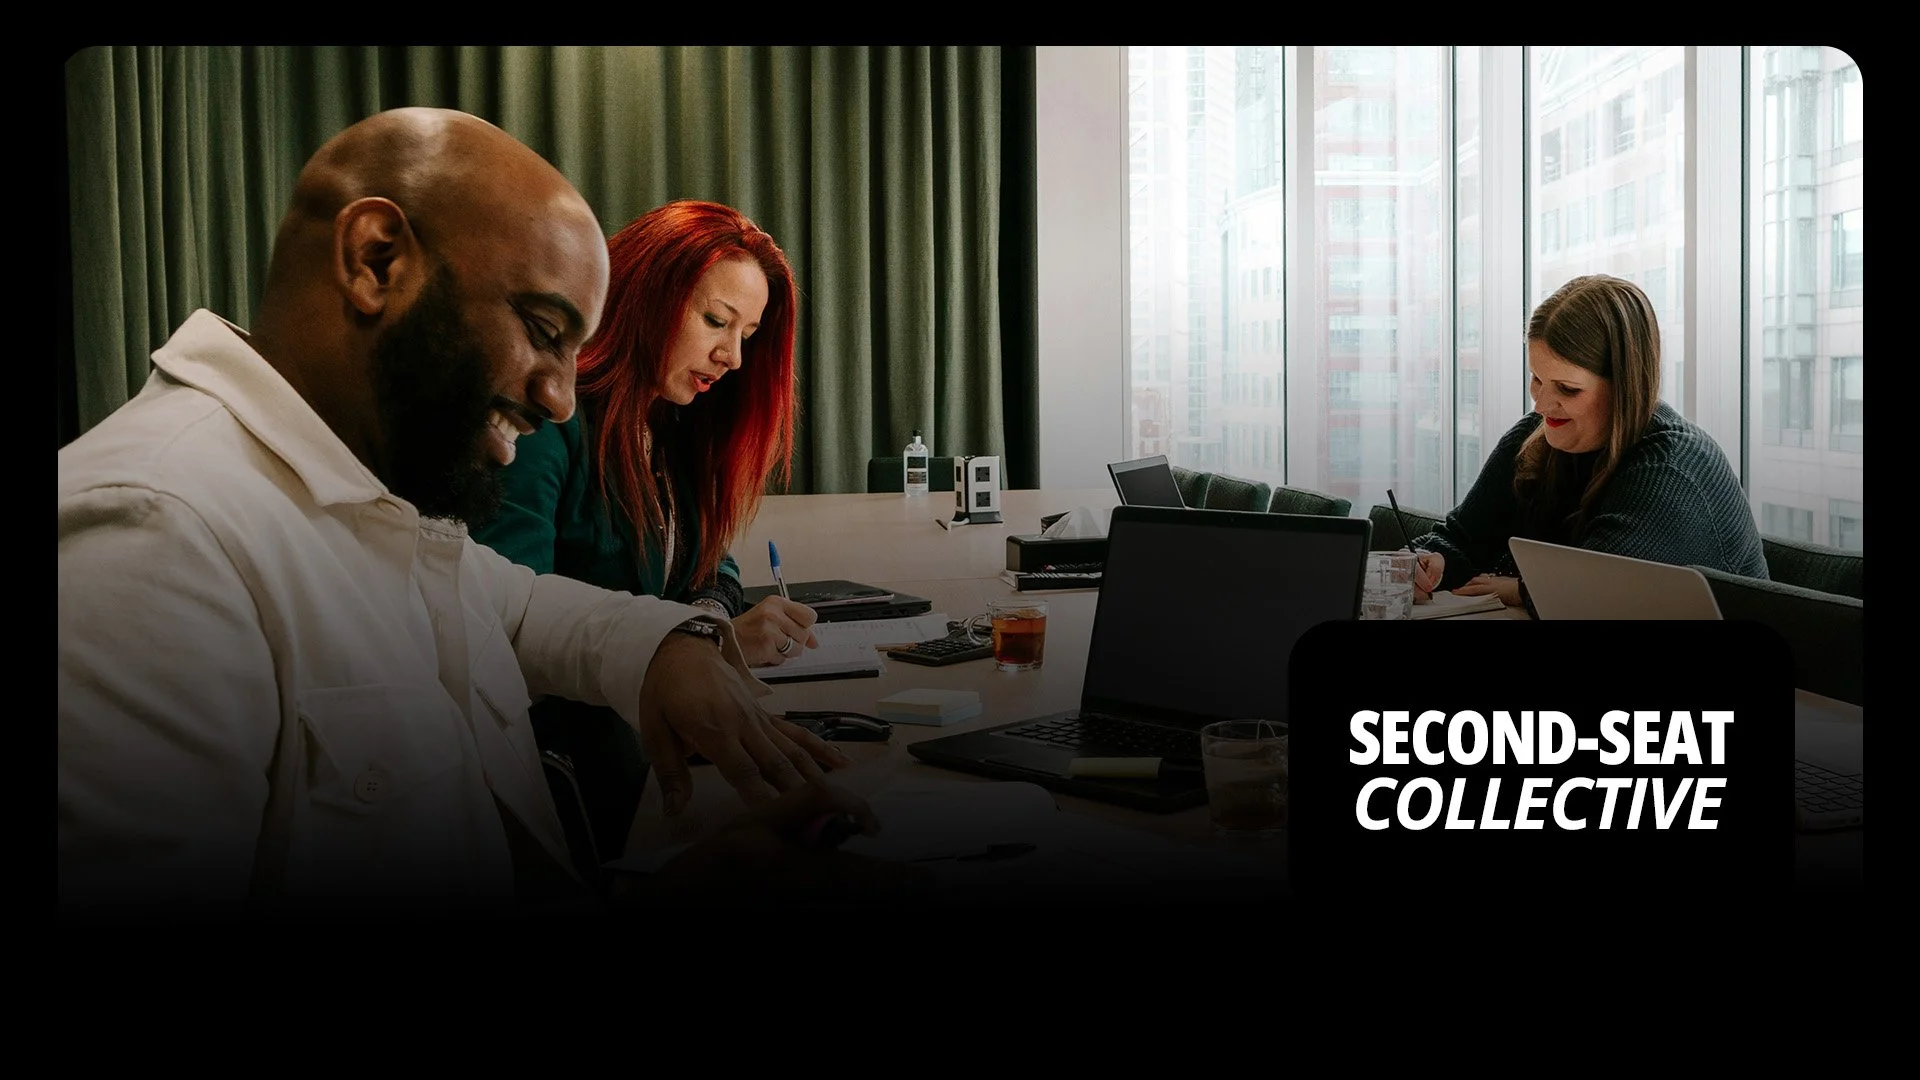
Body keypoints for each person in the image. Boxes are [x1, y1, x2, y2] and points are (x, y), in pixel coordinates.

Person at [57, 107, 918, 921]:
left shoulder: (358, 486)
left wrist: (666, 651)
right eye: (543, 330)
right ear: (377, 260)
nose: (560, 401)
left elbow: (517, 603)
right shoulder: (149, 539)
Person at [468, 200, 822, 861]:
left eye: (747, 334)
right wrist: (682, 642)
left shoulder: (671, 422)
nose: (733, 357)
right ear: (641, 295)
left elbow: (711, 563)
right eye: (717, 321)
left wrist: (712, 622)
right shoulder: (547, 426)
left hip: (640, 757)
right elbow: (501, 617)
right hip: (565, 781)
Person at [1410, 274, 1768, 607]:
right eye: (1537, 378)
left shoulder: (1673, 468)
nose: (1541, 403)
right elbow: (1464, 537)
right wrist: (1432, 560)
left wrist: (1520, 590)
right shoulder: (1537, 434)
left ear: (1624, 388)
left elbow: (1591, 596)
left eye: (1568, 388)